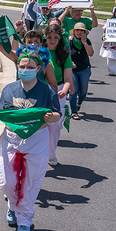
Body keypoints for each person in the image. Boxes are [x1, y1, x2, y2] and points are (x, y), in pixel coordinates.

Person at [0, 47, 61, 231]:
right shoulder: (10, 89)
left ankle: (24, 220)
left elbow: (57, 113)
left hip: (36, 139)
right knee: (7, 182)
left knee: (29, 182)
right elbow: (2, 112)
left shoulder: (47, 90)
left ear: (38, 69)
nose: (24, 69)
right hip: (12, 139)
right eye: (21, 66)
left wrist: (52, 118)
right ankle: (12, 206)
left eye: (29, 66)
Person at [43, 24, 73, 166]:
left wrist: (64, 90)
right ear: (45, 38)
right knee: (41, 123)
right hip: (41, 90)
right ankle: (39, 154)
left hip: (58, 91)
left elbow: (68, 79)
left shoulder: (64, 55)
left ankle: (51, 154)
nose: (52, 40)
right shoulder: (40, 53)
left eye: (56, 37)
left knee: (54, 126)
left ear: (60, 38)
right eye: (49, 37)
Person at [68, 22, 94, 120]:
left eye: (82, 30)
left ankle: (79, 103)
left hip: (84, 69)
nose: (80, 32)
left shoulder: (87, 41)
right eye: (78, 30)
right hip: (72, 69)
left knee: (83, 91)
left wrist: (84, 42)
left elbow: (91, 54)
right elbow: (65, 55)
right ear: (74, 32)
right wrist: (70, 63)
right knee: (73, 90)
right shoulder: (69, 42)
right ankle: (74, 112)